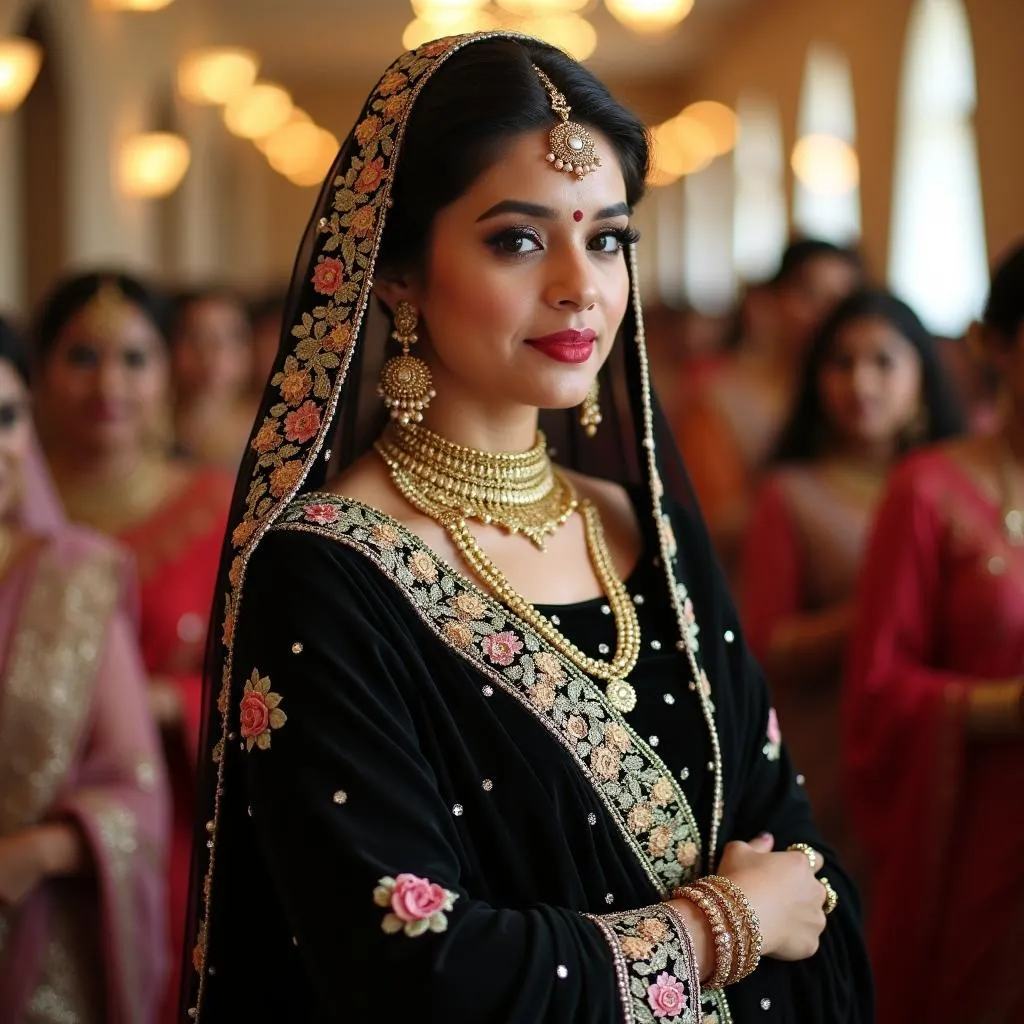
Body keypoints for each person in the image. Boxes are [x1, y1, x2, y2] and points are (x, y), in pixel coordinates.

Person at [182, 36, 871, 1023]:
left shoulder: (650, 532)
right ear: (398, 276)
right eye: (516, 238)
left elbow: (801, 864)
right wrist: (720, 926)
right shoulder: (326, 574)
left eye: (606, 238)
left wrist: (761, 910)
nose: (578, 285)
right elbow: (411, 968)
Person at [31, 273, 233, 1024]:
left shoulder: (219, 510)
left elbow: (267, 684)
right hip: (22, 822)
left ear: (167, 372)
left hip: (173, 828)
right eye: (82, 356)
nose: (108, 383)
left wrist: (161, 700)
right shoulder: (19, 519)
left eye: (135, 359)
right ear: (40, 373)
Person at [844, 242, 1024, 1021]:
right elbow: (879, 690)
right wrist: (1003, 707)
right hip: (978, 843)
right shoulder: (928, 493)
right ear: (997, 345)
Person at [740, 290, 964, 865]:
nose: (860, 382)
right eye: (841, 363)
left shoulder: (956, 489)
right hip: (836, 750)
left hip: (948, 741)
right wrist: (885, 607)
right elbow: (766, 646)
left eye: (883, 362)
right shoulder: (791, 495)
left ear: (921, 375)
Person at [0, 317, 169, 1022]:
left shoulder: (77, 579)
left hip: (36, 950)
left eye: (6, 416)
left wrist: (33, 854)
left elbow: (137, 794)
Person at [675, 240, 865, 574]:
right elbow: (708, 521)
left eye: (840, 301)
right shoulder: (723, 400)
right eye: (808, 294)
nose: (825, 315)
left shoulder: (860, 395)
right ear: (773, 301)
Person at [171, 287, 255, 471]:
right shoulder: (155, 427)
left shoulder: (268, 429)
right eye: (197, 339)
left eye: (229, 339)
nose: (212, 353)